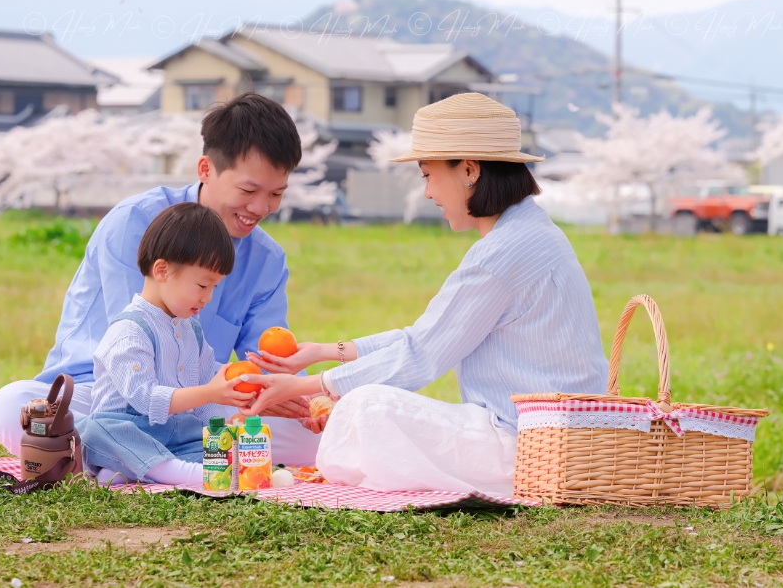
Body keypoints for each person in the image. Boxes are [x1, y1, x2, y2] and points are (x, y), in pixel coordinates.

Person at [250, 93, 609, 496]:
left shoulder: (502, 253)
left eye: (427, 174)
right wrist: (323, 351)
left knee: (366, 406)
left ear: (469, 169)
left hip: (529, 446)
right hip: (557, 440)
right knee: (358, 408)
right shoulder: (528, 233)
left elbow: (421, 355)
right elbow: (423, 337)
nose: (426, 192)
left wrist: (306, 386)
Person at [0, 93, 319, 463]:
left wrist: (294, 395)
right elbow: (136, 350)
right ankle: (162, 460)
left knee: (313, 437)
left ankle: (121, 462)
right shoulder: (137, 223)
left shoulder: (267, 260)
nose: (261, 208)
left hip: (195, 403)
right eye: (248, 190)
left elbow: (270, 359)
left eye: (276, 194)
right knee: (10, 404)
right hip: (102, 397)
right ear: (206, 169)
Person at [78, 201, 260, 488]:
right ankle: (179, 473)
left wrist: (221, 427)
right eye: (202, 286)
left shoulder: (192, 331)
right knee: (96, 430)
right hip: (127, 433)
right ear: (162, 270)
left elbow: (205, 398)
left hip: (173, 436)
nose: (208, 297)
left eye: (214, 287)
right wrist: (209, 391)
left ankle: (141, 472)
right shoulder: (129, 330)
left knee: (210, 439)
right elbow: (146, 400)